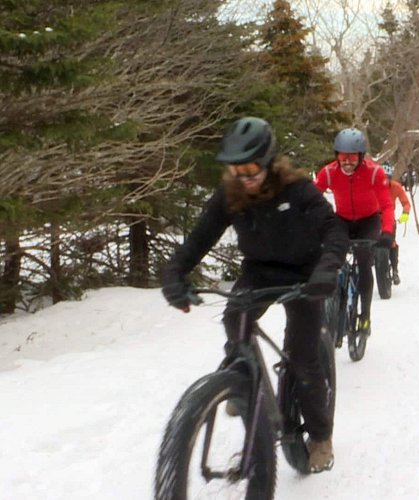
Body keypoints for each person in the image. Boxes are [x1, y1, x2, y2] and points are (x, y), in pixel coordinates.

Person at [161, 117, 348, 473]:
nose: (244, 177)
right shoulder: (229, 195)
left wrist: (326, 269)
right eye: (236, 169)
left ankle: (322, 436)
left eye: (251, 169)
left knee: (303, 357)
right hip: (260, 270)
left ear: (268, 162)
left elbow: (333, 228)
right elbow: (199, 239)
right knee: (235, 318)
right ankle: (241, 379)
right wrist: (174, 274)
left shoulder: (297, 189)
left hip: (305, 274)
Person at [315, 128, 393, 336]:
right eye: (342, 156)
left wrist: (386, 232)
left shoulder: (374, 172)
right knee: (333, 258)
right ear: (336, 156)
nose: (347, 162)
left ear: (360, 156)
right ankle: (332, 304)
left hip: (368, 221)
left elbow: (386, 205)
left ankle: (365, 316)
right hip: (342, 221)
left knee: (364, 262)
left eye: (352, 157)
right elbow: (311, 199)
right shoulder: (329, 172)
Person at [382, 162, 410, 285]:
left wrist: (405, 215)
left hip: (389, 220)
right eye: (382, 177)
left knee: (392, 244)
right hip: (373, 220)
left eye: (387, 177)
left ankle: (395, 270)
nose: (384, 181)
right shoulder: (372, 186)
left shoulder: (396, 187)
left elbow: (406, 203)